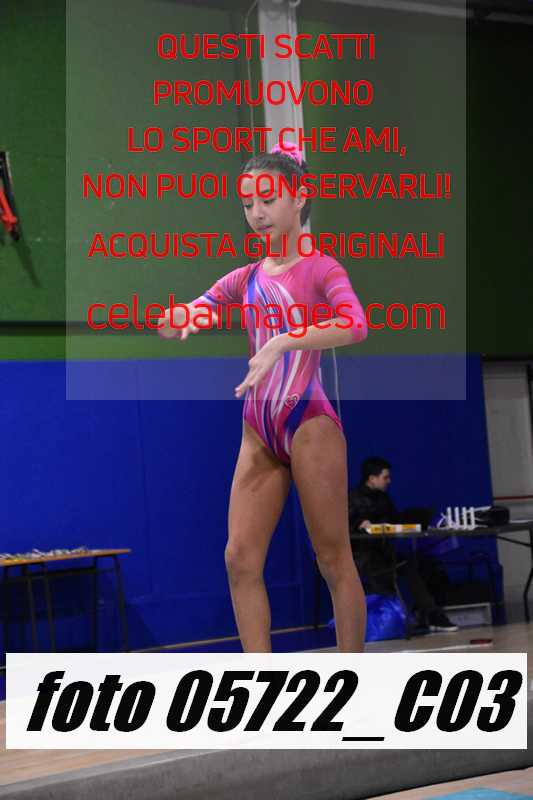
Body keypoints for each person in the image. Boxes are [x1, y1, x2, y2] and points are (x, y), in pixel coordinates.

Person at [158, 144, 368, 652]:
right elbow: (201, 306)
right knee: (240, 559)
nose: (256, 213)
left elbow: (355, 325)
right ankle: (259, 681)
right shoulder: (246, 277)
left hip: (309, 422)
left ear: (299, 197)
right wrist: (181, 318)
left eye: (268, 199)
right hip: (259, 429)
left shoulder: (320, 269)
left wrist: (283, 341)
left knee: (332, 559)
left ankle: (355, 680)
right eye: (248, 203)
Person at [348, 456, 459, 632]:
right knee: (404, 567)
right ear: (372, 478)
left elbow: (395, 520)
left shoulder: (384, 498)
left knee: (422, 564)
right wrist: (358, 525)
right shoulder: (352, 498)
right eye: (385, 477)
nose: (389, 481)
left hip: (385, 552)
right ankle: (423, 615)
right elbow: (342, 528)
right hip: (363, 557)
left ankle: (428, 614)